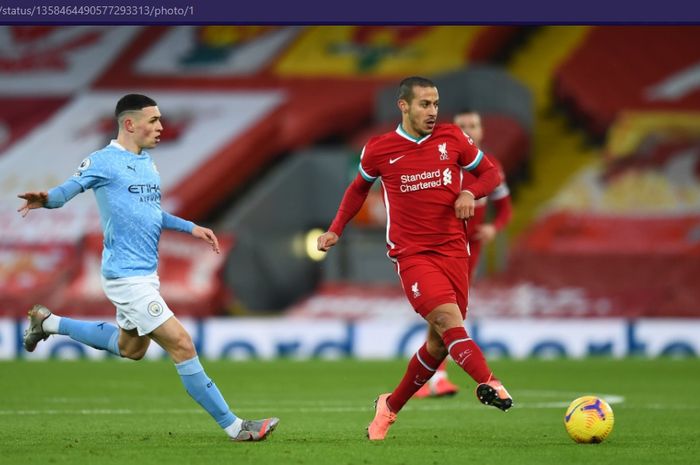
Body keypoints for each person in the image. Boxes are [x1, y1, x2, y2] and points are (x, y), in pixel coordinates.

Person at [17, 94, 279, 442]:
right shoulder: (103, 161)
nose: (160, 126)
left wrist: (191, 227)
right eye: (153, 120)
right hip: (125, 277)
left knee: (131, 349)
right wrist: (46, 199)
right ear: (130, 124)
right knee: (182, 344)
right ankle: (235, 426)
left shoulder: (148, 164)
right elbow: (67, 191)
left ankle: (48, 322)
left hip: (145, 275)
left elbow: (151, 213)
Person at [317, 77, 513, 441]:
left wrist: (470, 190)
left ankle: (388, 407)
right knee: (445, 319)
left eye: (436, 103)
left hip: (455, 251)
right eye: (424, 104)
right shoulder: (380, 149)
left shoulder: (452, 138)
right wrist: (335, 229)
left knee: (439, 344)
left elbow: (490, 173)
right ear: (403, 106)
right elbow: (357, 189)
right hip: (413, 255)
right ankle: (490, 381)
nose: (433, 111)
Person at [414, 109, 512, 399]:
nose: (468, 129)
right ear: (452, 131)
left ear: (481, 131)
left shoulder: (491, 167)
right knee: (446, 312)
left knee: (453, 312)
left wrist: (495, 227)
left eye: (474, 124)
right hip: (440, 246)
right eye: (462, 125)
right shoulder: (439, 163)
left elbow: (506, 207)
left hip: (470, 247)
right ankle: (437, 377)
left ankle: (432, 377)